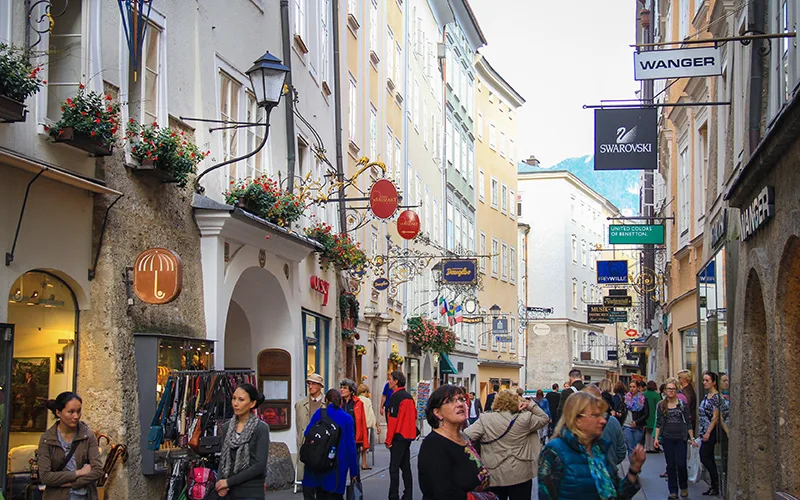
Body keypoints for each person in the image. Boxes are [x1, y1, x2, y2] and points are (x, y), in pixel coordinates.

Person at [538, 391, 645, 499]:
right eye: (596, 415)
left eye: (603, 415)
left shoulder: (599, 450)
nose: (603, 421)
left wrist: (633, 470)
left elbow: (616, 495)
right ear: (577, 419)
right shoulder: (554, 452)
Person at [464, 390, 549, 500]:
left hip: (495, 473)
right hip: (520, 473)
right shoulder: (524, 419)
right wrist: (530, 405)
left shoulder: (485, 419)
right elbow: (544, 418)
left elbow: (465, 437)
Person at [418, 385, 492, 499]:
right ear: (437, 413)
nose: (460, 404)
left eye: (461, 399)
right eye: (450, 401)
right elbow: (443, 492)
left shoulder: (464, 438)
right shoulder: (434, 444)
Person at [38, 392, 103, 500]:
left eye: (78, 411)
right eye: (71, 412)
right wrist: (78, 473)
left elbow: (97, 471)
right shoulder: (47, 439)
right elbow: (45, 477)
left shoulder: (87, 435)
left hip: (84, 496)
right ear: (58, 412)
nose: (76, 416)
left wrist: (71, 484)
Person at [215, 383, 270, 499]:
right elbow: (223, 459)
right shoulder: (227, 427)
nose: (235, 403)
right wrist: (220, 483)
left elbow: (259, 465)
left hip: (251, 491)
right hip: (229, 492)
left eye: (241, 400)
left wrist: (228, 482)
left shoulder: (261, 428)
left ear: (252, 403)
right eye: (234, 398)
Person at [302, 390, 360, 500]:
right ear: (341, 402)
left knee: (320, 495)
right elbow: (351, 447)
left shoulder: (319, 414)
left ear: (326, 401)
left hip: (317, 464)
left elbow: (307, 433)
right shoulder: (347, 419)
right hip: (337, 467)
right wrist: (354, 472)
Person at [654, 378, 698, 499]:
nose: (671, 391)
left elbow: (688, 422)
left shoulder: (682, 405)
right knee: (671, 465)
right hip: (667, 438)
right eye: (669, 389)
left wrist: (692, 438)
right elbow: (658, 422)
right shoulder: (661, 405)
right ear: (665, 391)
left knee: (681, 464)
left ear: (676, 390)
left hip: (680, 438)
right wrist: (656, 438)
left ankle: (683, 486)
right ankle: (673, 491)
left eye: (673, 389)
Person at [385, 371, 417, 500]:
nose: (389, 382)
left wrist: (388, 440)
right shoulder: (408, 397)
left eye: (390, 379)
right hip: (407, 435)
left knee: (394, 468)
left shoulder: (395, 397)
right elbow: (413, 415)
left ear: (396, 381)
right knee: (405, 467)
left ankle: (393, 495)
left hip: (398, 436)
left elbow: (393, 420)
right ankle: (408, 494)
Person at [583, 384, 627, 468]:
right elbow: (621, 452)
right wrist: (611, 462)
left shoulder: (576, 425)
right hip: (609, 471)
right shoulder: (613, 422)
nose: (602, 421)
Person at [296, 373, 326, 493]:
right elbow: (299, 425)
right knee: (307, 483)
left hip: (321, 444)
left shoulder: (326, 404)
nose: (310, 386)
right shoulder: (300, 404)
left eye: (313, 383)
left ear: (320, 386)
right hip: (306, 444)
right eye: (309, 383)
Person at [698, 371, 721, 496]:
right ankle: (713, 485)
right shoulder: (707, 396)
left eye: (707, 380)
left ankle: (715, 484)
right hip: (703, 431)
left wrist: (707, 432)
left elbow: (715, 417)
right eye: (704, 380)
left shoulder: (716, 397)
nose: (704, 383)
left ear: (713, 382)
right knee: (709, 458)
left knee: (705, 457)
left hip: (709, 432)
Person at [339, 379, 368, 453]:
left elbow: (362, 423)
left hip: (354, 439)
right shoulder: (338, 402)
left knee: (354, 463)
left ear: (351, 391)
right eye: (341, 387)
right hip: (340, 439)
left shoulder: (358, 403)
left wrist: (363, 443)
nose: (342, 390)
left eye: (345, 388)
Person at [622, 380, 649, 457]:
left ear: (638, 388)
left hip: (638, 426)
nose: (632, 389)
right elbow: (622, 410)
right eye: (630, 387)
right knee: (630, 448)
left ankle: (636, 466)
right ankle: (632, 466)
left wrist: (637, 422)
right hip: (627, 425)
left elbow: (646, 414)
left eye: (634, 387)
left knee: (636, 448)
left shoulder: (643, 399)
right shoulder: (626, 398)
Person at [356, 383, 380, 470]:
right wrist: (375, 425)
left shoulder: (356, 399)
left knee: (358, 443)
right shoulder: (367, 401)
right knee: (364, 444)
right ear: (365, 392)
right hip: (364, 424)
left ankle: (358, 462)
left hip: (357, 424)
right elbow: (371, 414)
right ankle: (364, 463)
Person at [644, 380, 661, 452]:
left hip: (645, 416)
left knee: (647, 432)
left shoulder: (644, 394)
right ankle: (652, 447)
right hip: (654, 415)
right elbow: (659, 406)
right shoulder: (656, 395)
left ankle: (647, 447)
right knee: (653, 432)